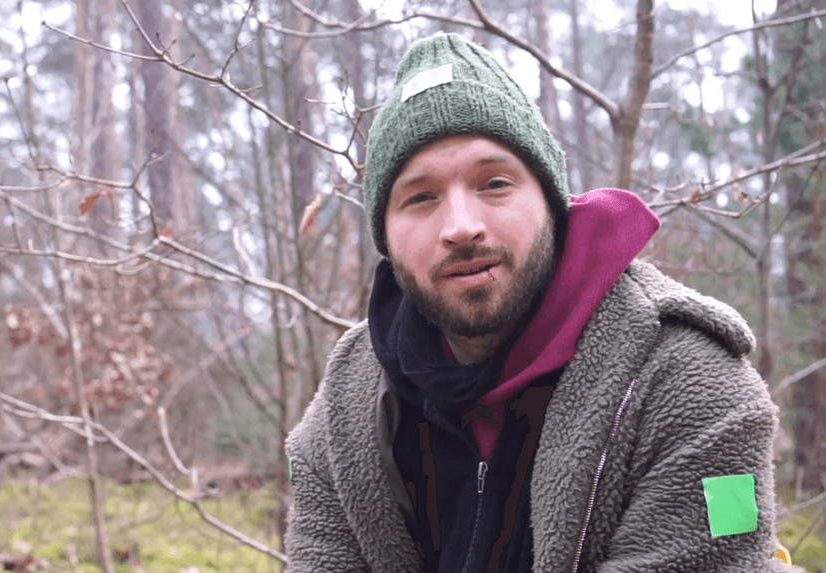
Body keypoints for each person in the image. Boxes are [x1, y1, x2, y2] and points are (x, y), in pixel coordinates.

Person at [284, 33, 795, 573]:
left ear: (554, 204)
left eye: (495, 183)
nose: (461, 227)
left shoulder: (694, 383)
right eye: (421, 197)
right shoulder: (346, 410)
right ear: (385, 237)